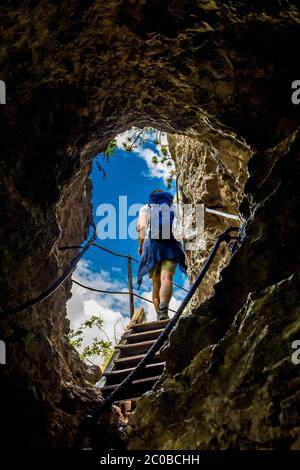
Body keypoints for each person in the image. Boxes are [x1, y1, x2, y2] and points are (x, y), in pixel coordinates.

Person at [137, 189, 187, 321]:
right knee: (167, 278)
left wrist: (141, 246)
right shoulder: (173, 207)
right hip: (171, 245)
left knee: (156, 283)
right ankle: (164, 311)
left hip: (152, 246)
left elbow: (141, 227)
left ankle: (160, 316)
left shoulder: (146, 207)